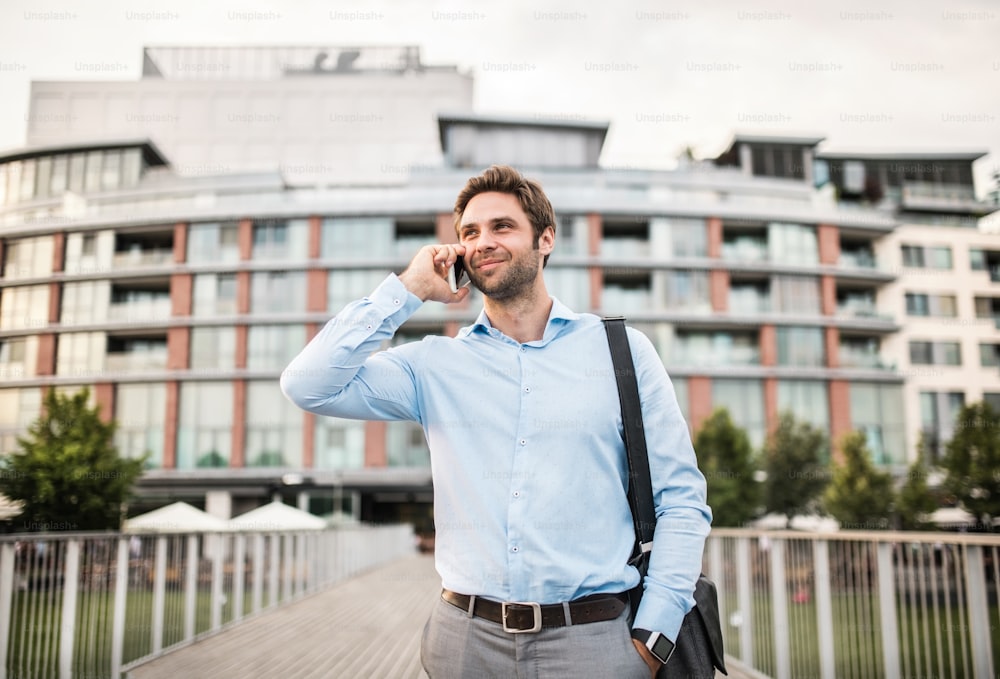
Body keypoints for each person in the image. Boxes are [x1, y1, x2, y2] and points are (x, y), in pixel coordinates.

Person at [281, 164, 711, 678]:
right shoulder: (433, 364)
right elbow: (307, 383)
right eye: (469, 232)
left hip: (597, 643)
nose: (482, 241)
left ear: (545, 239)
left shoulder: (623, 351)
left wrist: (654, 636)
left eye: (501, 227)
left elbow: (681, 499)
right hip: (464, 642)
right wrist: (407, 290)